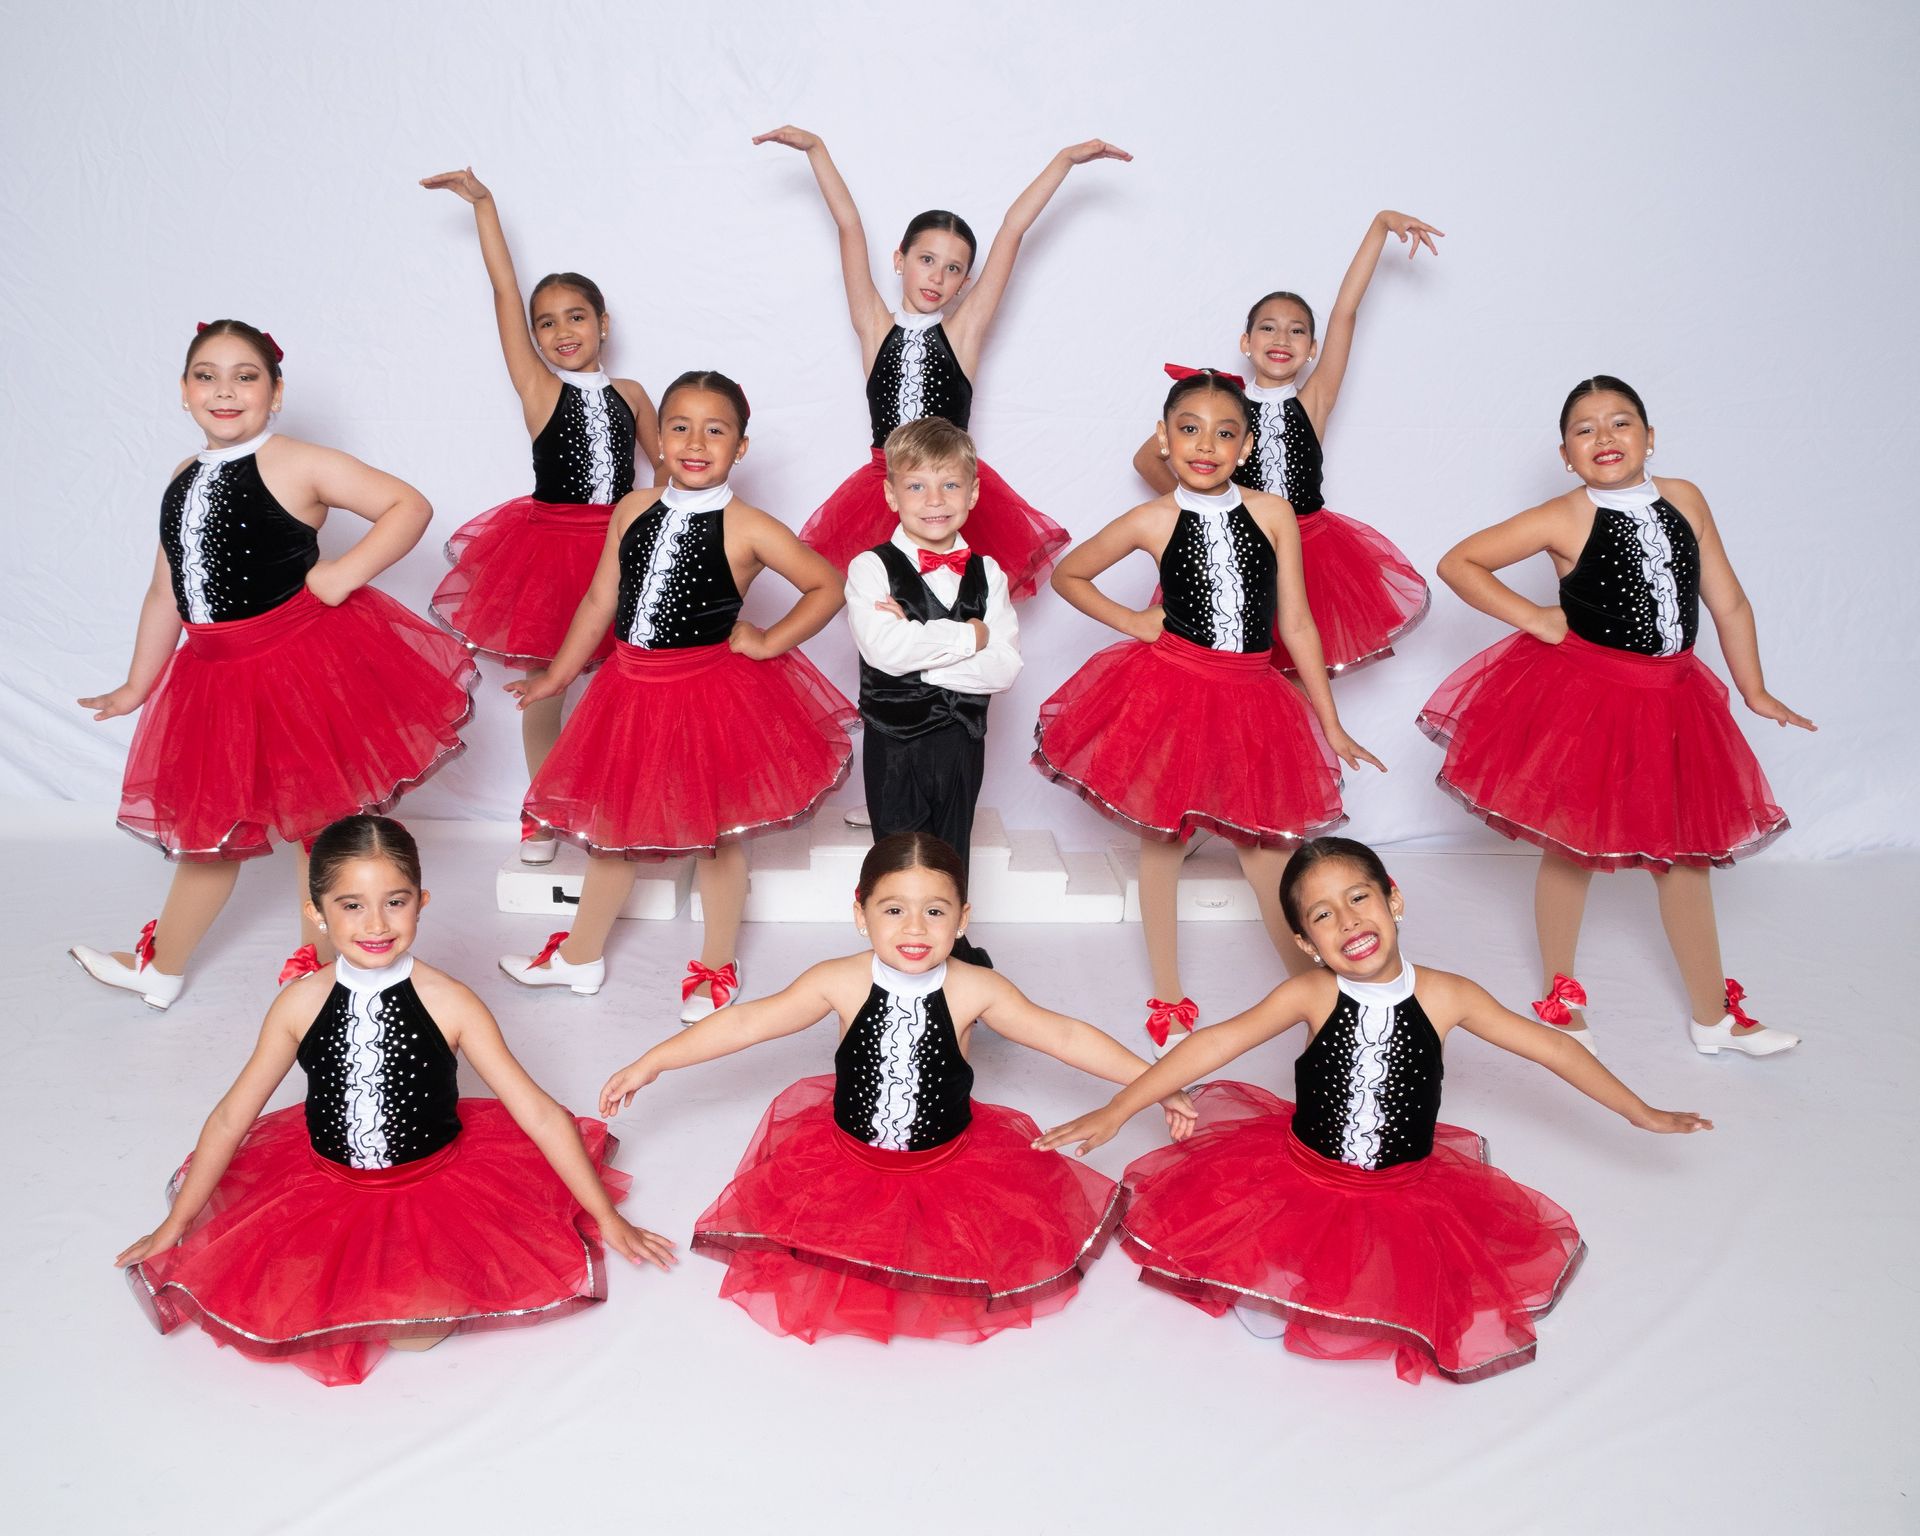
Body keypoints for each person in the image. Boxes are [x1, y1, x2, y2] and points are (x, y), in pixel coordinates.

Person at [1038, 836, 1712, 1384]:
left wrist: (1638, 1111)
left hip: (1404, 1185)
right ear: (1306, 943)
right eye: (1323, 915)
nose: (1348, 920)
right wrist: (1120, 1108)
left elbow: (1554, 1051)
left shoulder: (1450, 996)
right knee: (1278, 1299)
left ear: (1394, 900)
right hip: (1302, 1174)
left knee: (1394, 1284)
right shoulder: (1310, 994)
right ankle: (1281, 1280)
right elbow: (1214, 1044)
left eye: (1359, 898)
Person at [116, 814, 673, 1386]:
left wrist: (606, 1216)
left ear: (421, 902)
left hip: (433, 1183)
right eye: (351, 905)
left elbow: (534, 1110)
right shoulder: (298, 1005)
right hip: (323, 1181)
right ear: (317, 913)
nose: (376, 924)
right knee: (295, 1288)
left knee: (419, 1332)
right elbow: (234, 1116)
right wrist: (176, 1225)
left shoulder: (451, 1001)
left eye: (395, 902)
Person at [597, 832, 1195, 1343]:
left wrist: (1155, 1084)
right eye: (893, 910)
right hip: (847, 1158)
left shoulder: (977, 988)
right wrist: (656, 1060)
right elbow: (748, 1021)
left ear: (963, 919)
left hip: (949, 1161)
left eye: (935, 911)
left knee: (953, 1252)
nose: (915, 927)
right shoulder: (838, 980)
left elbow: (1065, 1035)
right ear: (860, 914)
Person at [71, 321, 475, 1009]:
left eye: (246, 376)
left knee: (316, 829)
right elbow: (167, 586)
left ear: (276, 391)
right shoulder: (182, 476)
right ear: (183, 390)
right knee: (211, 833)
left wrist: (344, 574)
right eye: (206, 374)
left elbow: (408, 506)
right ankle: (162, 968)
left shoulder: (295, 460)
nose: (224, 390)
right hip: (213, 676)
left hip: (296, 665)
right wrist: (139, 683)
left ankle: (323, 972)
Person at [1421, 376, 1812, 1055]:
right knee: (1573, 845)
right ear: (1567, 455)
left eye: (1621, 421)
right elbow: (1460, 562)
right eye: (1585, 428)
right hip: (1592, 698)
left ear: (1650, 437)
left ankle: (1711, 1014)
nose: (1605, 437)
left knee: (1685, 855)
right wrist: (1534, 617)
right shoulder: (1565, 515)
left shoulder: (1685, 499)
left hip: (1675, 697)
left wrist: (1754, 690)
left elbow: (1728, 601)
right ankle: (1560, 992)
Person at [1034, 369, 1382, 1054]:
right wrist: (1136, 623)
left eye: (1225, 433)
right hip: (1174, 689)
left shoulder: (1274, 514)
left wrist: (1331, 721)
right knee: (1163, 838)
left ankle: (1318, 991)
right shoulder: (1153, 517)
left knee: (1266, 851)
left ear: (1247, 446)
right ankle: (1167, 990)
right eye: (1189, 429)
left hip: (1254, 695)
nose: (1206, 444)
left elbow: (1301, 624)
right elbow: (1069, 574)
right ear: (1164, 439)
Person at [500, 371, 854, 1019]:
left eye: (715, 430)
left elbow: (827, 585)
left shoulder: (747, 526)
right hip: (629, 691)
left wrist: (771, 642)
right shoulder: (631, 509)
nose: (695, 441)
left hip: (706, 696)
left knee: (717, 836)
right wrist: (556, 676)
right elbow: (601, 599)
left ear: (740, 446)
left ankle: (717, 964)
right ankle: (580, 957)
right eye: (680, 427)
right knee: (615, 830)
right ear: (657, 438)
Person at [752, 125, 1129, 598]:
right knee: (884, 604)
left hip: (949, 484)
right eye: (926, 260)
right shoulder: (874, 326)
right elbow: (849, 226)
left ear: (966, 282)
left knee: (953, 603)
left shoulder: (962, 334)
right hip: (884, 486)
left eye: (953, 269)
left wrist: (1063, 161)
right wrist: (817, 150)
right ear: (899, 259)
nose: (937, 277)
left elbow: (1012, 229)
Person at [421, 167, 661, 864]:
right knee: (548, 689)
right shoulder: (536, 388)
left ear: (604, 323)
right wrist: (485, 208)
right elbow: (502, 289)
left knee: (629, 681)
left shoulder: (634, 391)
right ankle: (542, 808)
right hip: (549, 552)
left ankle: (620, 800)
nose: (561, 332)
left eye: (576, 317)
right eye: (545, 323)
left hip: (619, 550)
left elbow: (668, 468)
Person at [1134, 211, 1442, 672]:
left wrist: (1378, 227)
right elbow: (1147, 460)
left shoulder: (1314, 399)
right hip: (1243, 547)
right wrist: (1202, 508)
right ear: (1246, 341)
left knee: (1296, 671)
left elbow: (1345, 312)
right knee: (1231, 663)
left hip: (1313, 551)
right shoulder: (1226, 404)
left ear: (1312, 348)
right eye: (1268, 327)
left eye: (1297, 330)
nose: (1282, 337)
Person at [845, 417, 1020, 966]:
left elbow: (1003, 670)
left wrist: (916, 648)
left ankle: (950, 953)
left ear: (971, 494)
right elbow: (884, 653)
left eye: (949, 485)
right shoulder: (870, 567)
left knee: (952, 848)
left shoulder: (989, 573)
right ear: (892, 494)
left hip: (962, 741)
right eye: (917, 486)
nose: (934, 500)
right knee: (897, 854)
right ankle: (895, 957)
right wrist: (970, 636)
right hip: (894, 744)